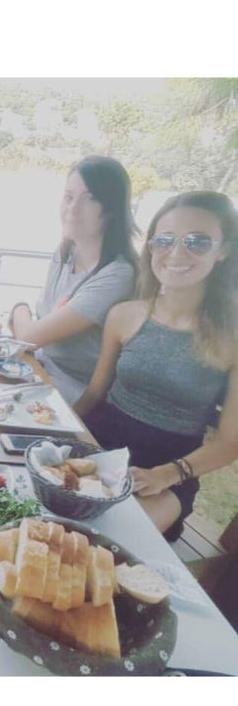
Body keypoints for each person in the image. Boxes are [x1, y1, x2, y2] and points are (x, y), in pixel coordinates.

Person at [75, 191, 238, 542]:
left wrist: (167, 474)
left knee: (107, 543)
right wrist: (61, 432)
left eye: (197, 241)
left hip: (170, 471)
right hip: (100, 447)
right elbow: (95, 394)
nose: (176, 253)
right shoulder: (123, 315)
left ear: (224, 250)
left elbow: (230, 443)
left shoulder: (233, 337)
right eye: (164, 240)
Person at [9, 156, 139, 404]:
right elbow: (35, 331)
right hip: (38, 371)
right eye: (68, 197)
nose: (73, 209)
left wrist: (19, 307)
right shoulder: (65, 253)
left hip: (72, 394)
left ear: (112, 209)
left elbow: (28, 337)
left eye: (89, 199)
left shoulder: (118, 275)